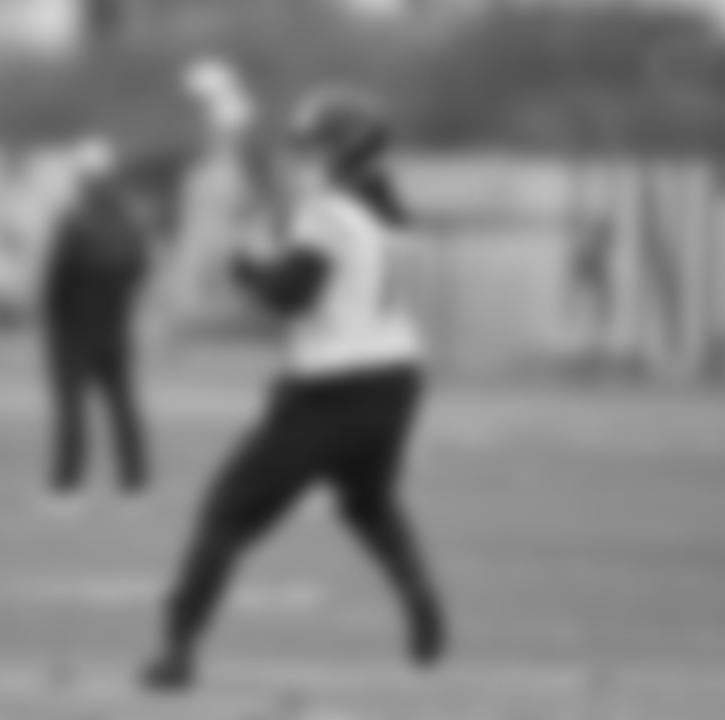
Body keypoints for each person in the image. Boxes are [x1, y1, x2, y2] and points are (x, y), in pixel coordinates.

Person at [141, 90, 447, 691]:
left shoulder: (329, 212)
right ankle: (420, 594)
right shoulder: (391, 219)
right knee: (368, 504)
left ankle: (176, 653)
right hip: (399, 381)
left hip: (334, 383)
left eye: (313, 146)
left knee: (225, 513)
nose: (303, 157)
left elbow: (290, 294)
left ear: (342, 151)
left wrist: (244, 262)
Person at [39, 140, 154, 514]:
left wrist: (54, 316)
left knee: (72, 410)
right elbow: (141, 270)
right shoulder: (131, 219)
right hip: (115, 325)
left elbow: (56, 279)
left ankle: (67, 488)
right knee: (123, 408)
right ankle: (134, 485)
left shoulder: (74, 220)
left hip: (73, 328)